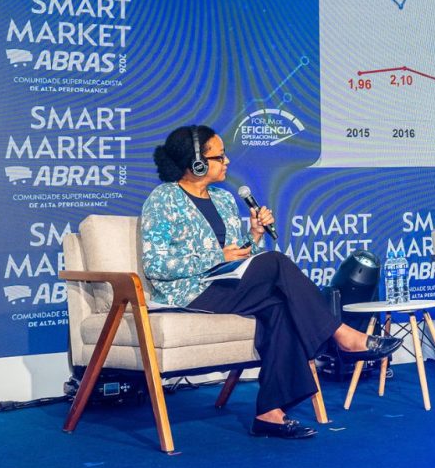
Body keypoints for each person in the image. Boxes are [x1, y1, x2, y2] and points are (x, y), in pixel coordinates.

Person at [140, 125, 400, 439]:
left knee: (280, 307)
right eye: (219, 157)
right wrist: (215, 255)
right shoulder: (163, 199)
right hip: (187, 294)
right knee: (275, 263)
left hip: (225, 285)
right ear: (196, 163)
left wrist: (254, 235)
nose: (227, 161)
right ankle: (340, 334)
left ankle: (269, 413)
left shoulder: (223, 200)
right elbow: (155, 265)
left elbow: (240, 256)